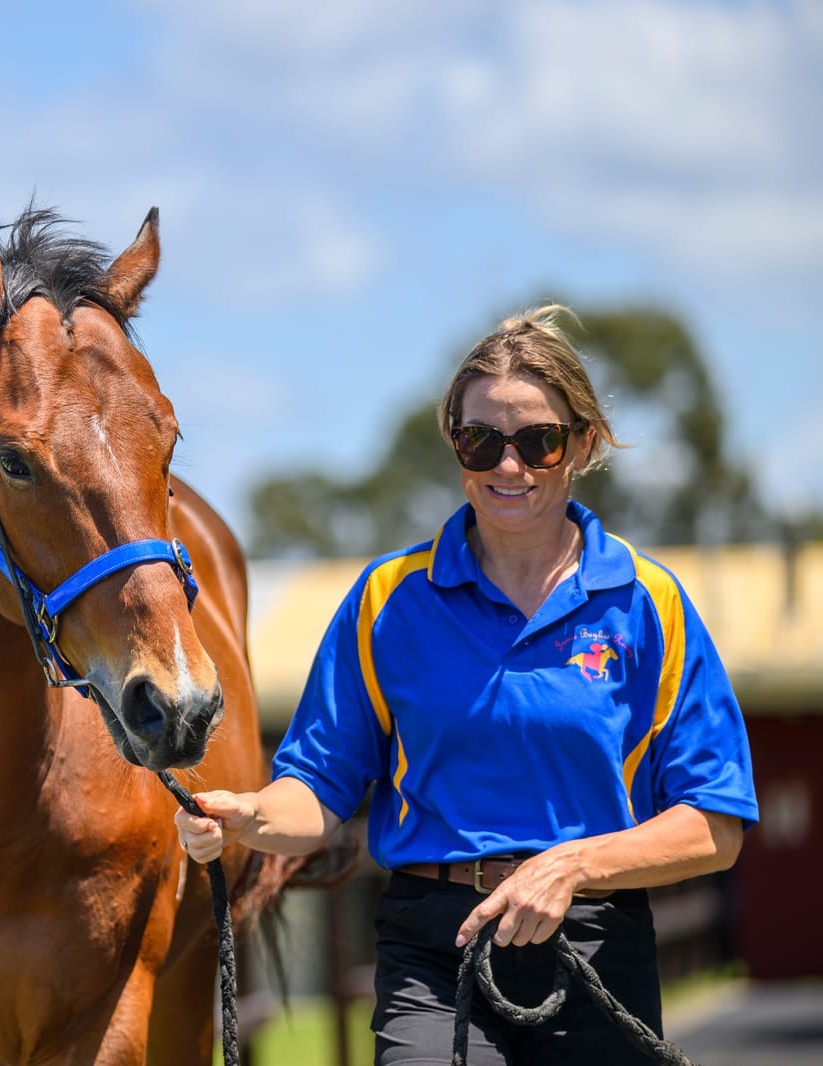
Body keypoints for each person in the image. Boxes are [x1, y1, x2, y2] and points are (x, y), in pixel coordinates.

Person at [176, 305, 759, 1064]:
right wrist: (250, 814)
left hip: (594, 940)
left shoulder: (649, 604)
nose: (507, 467)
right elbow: (318, 787)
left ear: (581, 444)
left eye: (536, 442)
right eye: (481, 441)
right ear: (457, 445)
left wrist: (574, 865)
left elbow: (714, 823)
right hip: (434, 947)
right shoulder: (388, 600)